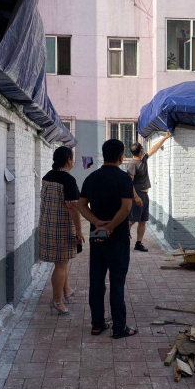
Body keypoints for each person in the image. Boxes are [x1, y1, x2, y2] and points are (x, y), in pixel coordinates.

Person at [77, 139, 137, 338]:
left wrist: (97, 223)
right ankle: (119, 328)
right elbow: (126, 208)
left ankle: (97, 324)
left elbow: (81, 205)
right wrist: (110, 227)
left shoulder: (92, 177)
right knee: (117, 282)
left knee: (96, 282)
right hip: (118, 238)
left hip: (97, 238)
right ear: (121, 156)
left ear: (103, 155)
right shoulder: (124, 179)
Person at [38, 146, 84, 316]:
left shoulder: (47, 177)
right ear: (68, 160)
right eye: (72, 158)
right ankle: (56, 301)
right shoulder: (68, 180)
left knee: (62, 261)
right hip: (62, 227)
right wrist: (79, 229)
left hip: (47, 225)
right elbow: (72, 207)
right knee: (61, 264)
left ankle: (67, 290)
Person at [127, 131, 172, 252]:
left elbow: (154, 149)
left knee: (142, 221)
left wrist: (165, 138)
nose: (144, 149)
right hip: (137, 195)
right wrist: (136, 197)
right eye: (142, 148)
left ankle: (138, 243)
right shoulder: (132, 164)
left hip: (144, 195)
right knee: (131, 221)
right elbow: (129, 183)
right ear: (140, 151)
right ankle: (121, 240)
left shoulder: (143, 159)